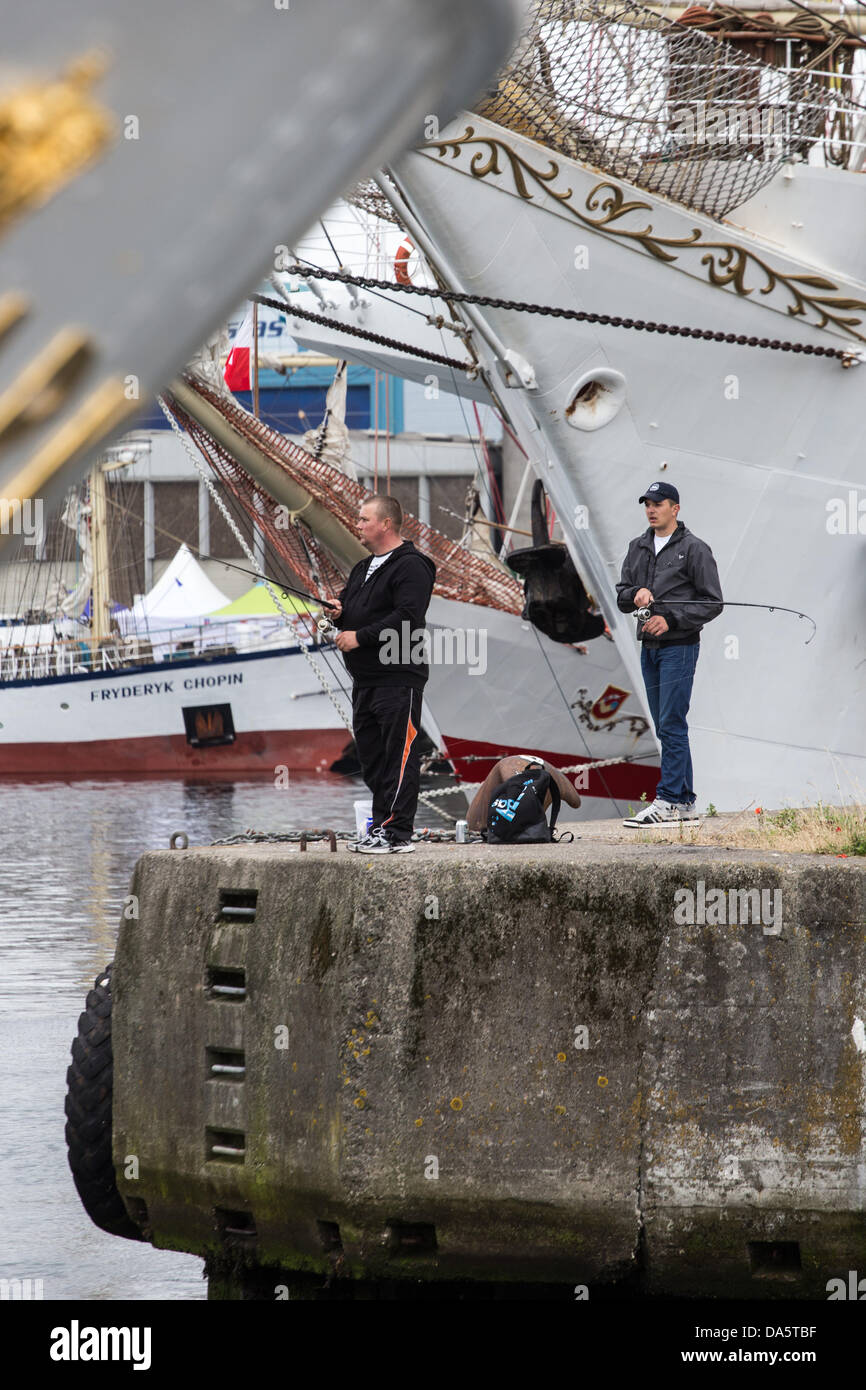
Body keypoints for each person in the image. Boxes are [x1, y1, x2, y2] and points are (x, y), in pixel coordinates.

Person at [329, 494, 436, 854]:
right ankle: (379, 827)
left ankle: (397, 834)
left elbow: (408, 615)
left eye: (362, 519)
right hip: (366, 680)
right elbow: (353, 609)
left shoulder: (413, 566)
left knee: (400, 757)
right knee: (372, 759)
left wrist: (359, 636)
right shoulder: (362, 568)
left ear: (385, 524)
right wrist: (338, 615)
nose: (357, 525)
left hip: (398, 676)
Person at [615, 481, 723, 826]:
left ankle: (667, 801)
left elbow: (712, 602)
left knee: (672, 724)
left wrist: (671, 618)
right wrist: (636, 594)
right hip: (649, 648)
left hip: (680, 647)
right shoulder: (638, 546)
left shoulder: (695, 549)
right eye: (647, 503)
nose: (651, 509)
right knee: (665, 725)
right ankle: (686, 803)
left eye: (658, 503)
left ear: (675, 508)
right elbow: (621, 596)